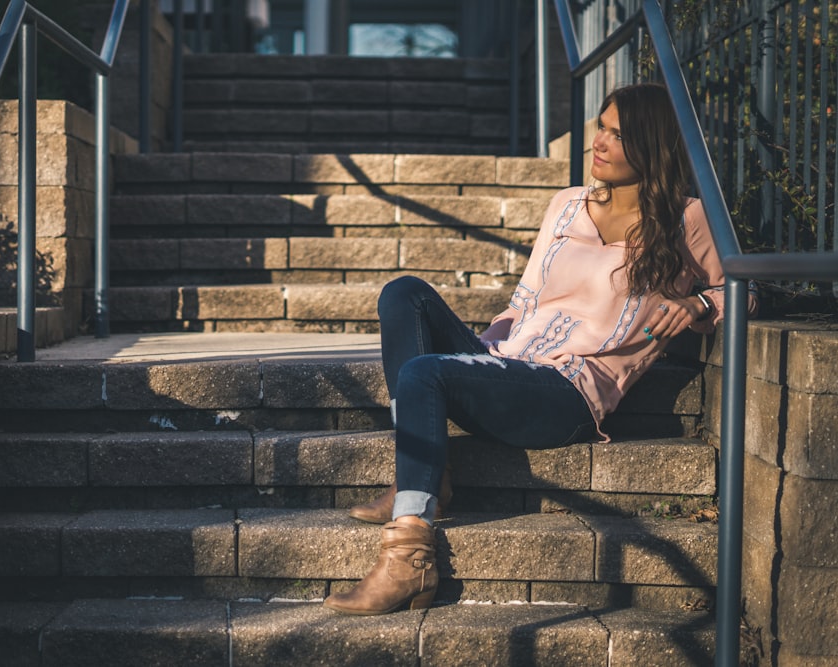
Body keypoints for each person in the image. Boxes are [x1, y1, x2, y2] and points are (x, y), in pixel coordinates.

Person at [323, 82, 759, 616]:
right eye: (601, 125)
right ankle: (425, 470)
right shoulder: (566, 204)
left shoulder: (688, 220)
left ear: (653, 147)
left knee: (422, 375)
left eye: (618, 134)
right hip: (512, 365)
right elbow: (524, 302)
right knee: (404, 294)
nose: (599, 141)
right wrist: (478, 358)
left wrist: (697, 308)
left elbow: (744, 289)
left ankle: (409, 560)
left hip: (568, 394)